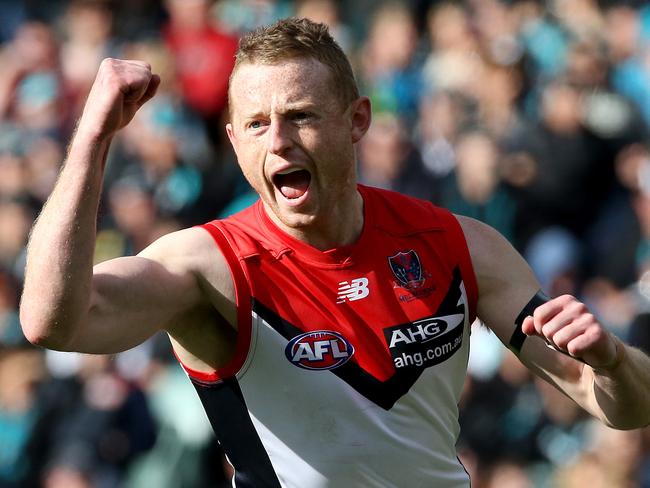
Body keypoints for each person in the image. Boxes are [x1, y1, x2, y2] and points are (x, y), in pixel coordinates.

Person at [19, 18, 650, 488]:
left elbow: (620, 407)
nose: (280, 142)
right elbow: (51, 321)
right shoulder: (210, 265)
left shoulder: (458, 243)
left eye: (301, 115)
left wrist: (614, 362)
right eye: (259, 125)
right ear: (234, 140)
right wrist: (93, 139)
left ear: (357, 121)